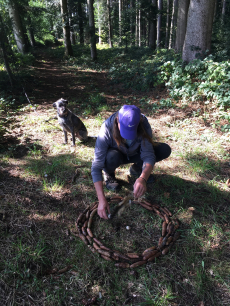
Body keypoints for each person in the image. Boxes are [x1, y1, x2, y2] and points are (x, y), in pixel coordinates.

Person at [91, 105, 171, 219]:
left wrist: (143, 178)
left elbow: (148, 154)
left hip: (134, 154)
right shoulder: (106, 128)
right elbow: (96, 166)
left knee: (163, 149)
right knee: (111, 156)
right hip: (115, 155)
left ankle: (137, 169)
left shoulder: (143, 123)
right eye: (124, 129)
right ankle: (109, 173)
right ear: (117, 120)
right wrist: (101, 199)